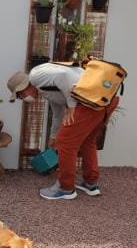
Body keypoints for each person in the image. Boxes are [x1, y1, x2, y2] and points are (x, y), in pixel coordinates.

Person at [7, 62, 119, 201]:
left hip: (89, 103)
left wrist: (71, 107)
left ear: (23, 88)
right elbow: (58, 113)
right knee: (87, 142)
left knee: (65, 143)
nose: (23, 99)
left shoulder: (35, 76)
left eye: (20, 96)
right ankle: (91, 184)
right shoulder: (45, 88)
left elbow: (64, 75)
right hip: (105, 99)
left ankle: (65, 188)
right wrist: (53, 136)